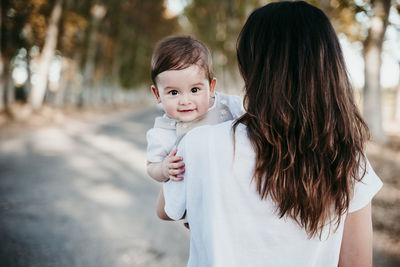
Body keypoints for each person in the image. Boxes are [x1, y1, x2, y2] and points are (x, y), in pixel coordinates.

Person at [156, 1, 383, 267]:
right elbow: (356, 263)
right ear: (328, 70)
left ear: (249, 70)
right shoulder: (347, 157)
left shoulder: (199, 143)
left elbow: (166, 209)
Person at [146, 35, 244, 183]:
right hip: (191, 197)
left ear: (211, 87)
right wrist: (163, 169)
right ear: (157, 94)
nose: (185, 101)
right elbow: (151, 166)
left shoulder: (229, 105)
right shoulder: (163, 132)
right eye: (174, 92)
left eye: (194, 90)